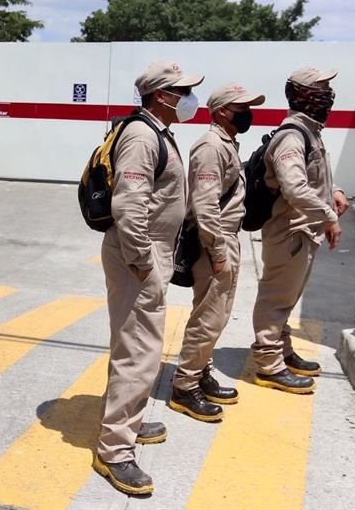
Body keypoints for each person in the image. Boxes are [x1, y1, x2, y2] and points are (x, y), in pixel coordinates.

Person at [93, 61, 202, 496]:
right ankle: (115, 450)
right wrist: (143, 261)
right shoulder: (142, 135)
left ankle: (127, 420)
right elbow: (128, 205)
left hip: (146, 250)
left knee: (133, 345)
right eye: (183, 91)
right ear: (161, 95)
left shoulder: (157, 131)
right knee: (139, 351)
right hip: (139, 253)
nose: (190, 99)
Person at [168, 83, 265, 423]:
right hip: (215, 242)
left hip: (224, 238)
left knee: (215, 315)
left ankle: (200, 371)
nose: (248, 113)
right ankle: (184, 386)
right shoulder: (211, 146)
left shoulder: (226, 143)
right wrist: (219, 251)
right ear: (223, 111)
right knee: (208, 318)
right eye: (242, 107)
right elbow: (206, 205)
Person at [251, 67, 349, 393]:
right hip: (290, 232)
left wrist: (334, 191)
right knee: (276, 298)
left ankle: (281, 350)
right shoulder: (292, 136)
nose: (328, 95)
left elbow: (313, 176)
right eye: (321, 89)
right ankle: (268, 364)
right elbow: (294, 188)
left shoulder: (310, 132)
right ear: (302, 95)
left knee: (287, 297)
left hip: (303, 231)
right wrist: (328, 216)